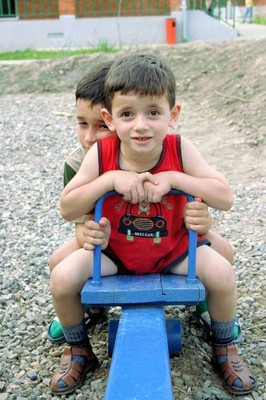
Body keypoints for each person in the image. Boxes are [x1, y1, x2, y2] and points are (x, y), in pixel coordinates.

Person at [51, 54, 255, 395]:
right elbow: (68, 208)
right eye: (127, 114)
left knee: (222, 273)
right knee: (61, 278)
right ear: (110, 117)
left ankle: (224, 346)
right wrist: (110, 179)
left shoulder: (179, 148)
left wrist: (176, 177)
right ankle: (77, 349)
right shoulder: (101, 154)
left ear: (173, 115)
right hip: (115, 253)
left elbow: (225, 197)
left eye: (153, 112)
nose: (141, 125)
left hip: (172, 251)